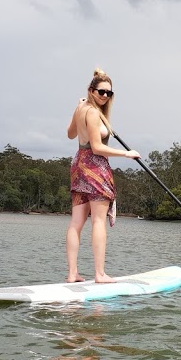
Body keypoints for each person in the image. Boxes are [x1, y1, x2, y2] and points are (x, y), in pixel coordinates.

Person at [65, 68, 139, 283]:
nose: (105, 96)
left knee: (76, 222)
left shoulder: (82, 109)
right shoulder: (94, 113)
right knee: (98, 221)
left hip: (78, 166)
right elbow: (97, 148)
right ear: (91, 90)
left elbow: (71, 134)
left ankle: (72, 274)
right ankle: (99, 274)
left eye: (109, 93)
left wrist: (77, 108)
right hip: (95, 169)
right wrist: (126, 153)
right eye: (101, 92)